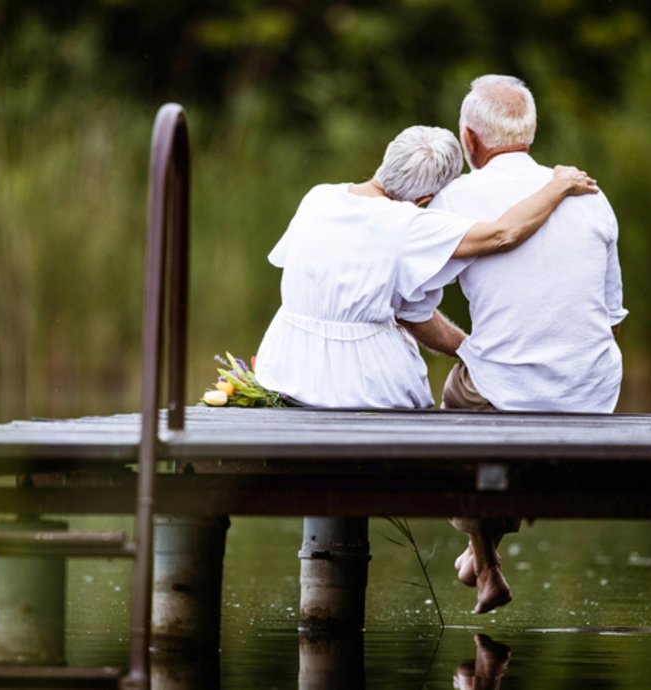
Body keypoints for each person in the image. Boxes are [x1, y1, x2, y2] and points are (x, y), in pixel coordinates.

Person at [426, 75, 628, 614]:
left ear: (469, 140)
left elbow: (413, 303)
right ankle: (481, 559)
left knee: (461, 399)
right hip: (592, 392)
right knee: (502, 388)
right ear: (530, 134)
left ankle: (484, 561)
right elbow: (610, 313)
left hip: (510, 389)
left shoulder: (456, 199)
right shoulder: (589, 193)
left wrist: (466, 347)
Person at [254, 124, 598, 408]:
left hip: (285, 367)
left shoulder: (318, 197)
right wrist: (558, 186)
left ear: (389, 152)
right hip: (362, 383)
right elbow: (504, 234)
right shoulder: (410, 225)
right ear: (426, 200)